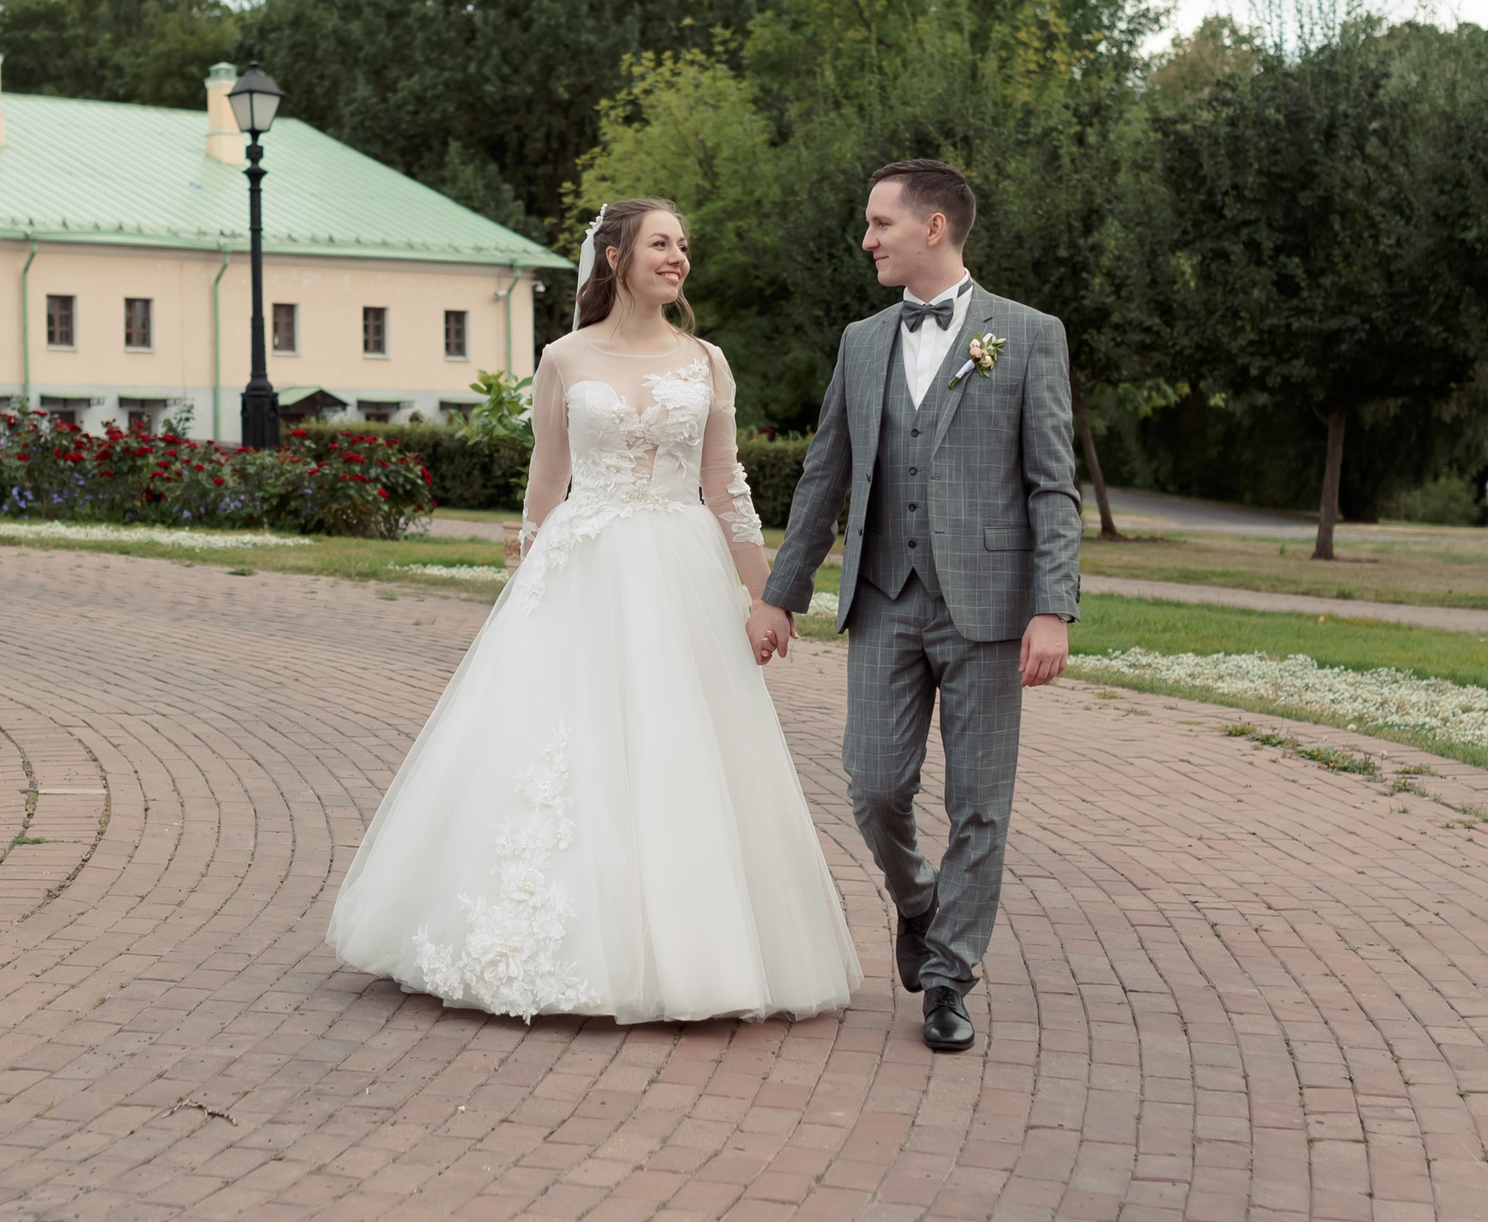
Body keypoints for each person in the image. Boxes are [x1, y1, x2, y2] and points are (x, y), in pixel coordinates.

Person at [328, 198, 863, 1024]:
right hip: (583, 569)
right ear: (614, 258)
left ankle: (694, 951)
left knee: (680, 748)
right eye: (660, 242)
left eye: (684, 244)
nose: (678, 256)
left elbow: (727, 488)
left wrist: (768, 596)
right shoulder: (564, 358)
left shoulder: (707, 361)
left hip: (679, 568)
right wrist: (531, 574)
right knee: (558, 743)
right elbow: (547, 478)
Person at [746, 160, 1081, 1055]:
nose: (867, 239)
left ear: (934, 227)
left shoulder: (1028, 335)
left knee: (980, 804)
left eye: (880, 223)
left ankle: (947, 977)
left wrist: (1054, 607)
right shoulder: (861, 342)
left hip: (990, 607)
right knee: (874, 784)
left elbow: (1053, 486)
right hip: (886, 596)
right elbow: (824, 476)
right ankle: (918, 899)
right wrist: (780, 595)